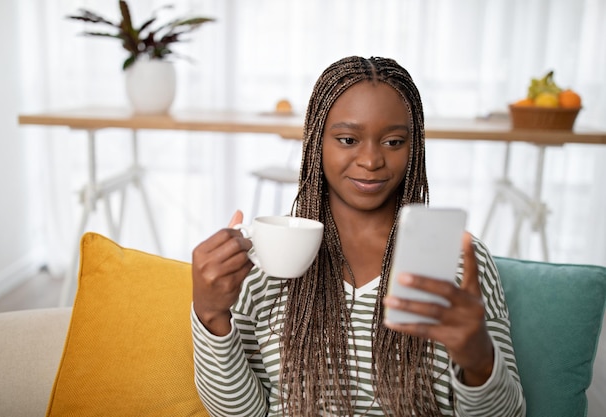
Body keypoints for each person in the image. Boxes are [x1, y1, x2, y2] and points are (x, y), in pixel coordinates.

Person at [191, 56, 526, 416]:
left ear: (415, 148)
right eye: (348, 139)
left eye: (394, 142)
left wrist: (479, 360)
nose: (371, 160)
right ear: (316, 142)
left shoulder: (458, 260)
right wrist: (210, 315)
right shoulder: (266, 255)